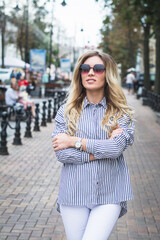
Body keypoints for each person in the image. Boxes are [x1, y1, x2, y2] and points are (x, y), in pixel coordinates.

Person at [52, 51, 135, 240]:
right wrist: (103, 149)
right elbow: (62, 154)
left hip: (110, 192)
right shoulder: (66, 111)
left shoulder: (122, 113)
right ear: (79, 74)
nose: (90, 73)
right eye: (85, 68)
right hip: (74, 192)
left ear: (108, 74)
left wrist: (74, 141)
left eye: (98, 69)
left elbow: (115, 150)